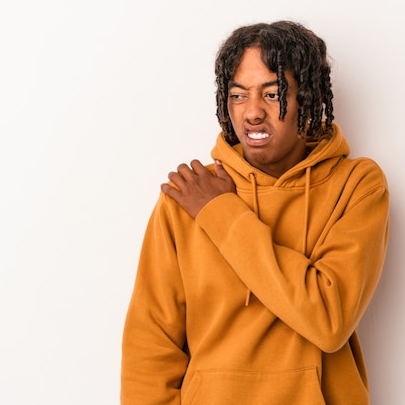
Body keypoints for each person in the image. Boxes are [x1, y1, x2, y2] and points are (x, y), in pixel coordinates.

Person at [121, 20, 390, 405]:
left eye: (272, 93)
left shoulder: (357, 186)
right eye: (238, 95)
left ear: (308, 98)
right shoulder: (188, 196)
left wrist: (221, 212)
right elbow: (150, 344)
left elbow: (329, 320)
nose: (252, 113)